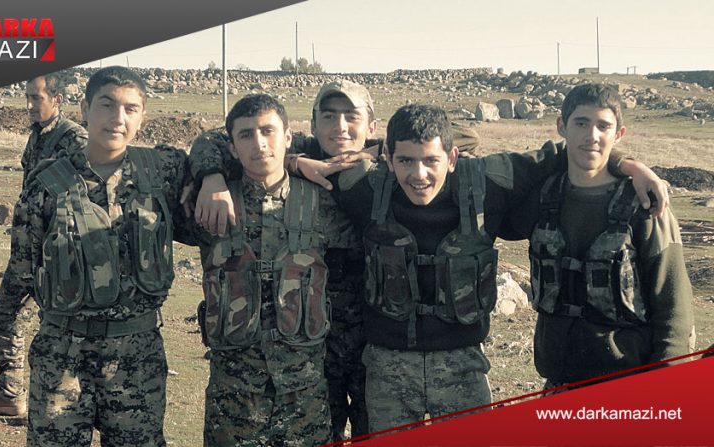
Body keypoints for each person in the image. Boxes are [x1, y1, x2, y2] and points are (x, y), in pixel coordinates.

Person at [190, 100, 667, 433]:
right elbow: (253, 148)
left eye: (431, 161)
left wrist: (630, 165)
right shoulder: (362, 185)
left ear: (453, 157)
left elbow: (574, 148)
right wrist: (280, 164)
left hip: (462, 366)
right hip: (387, 368)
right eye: (405, 161)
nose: (419, 174)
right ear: (387, 158)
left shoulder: (488, 181)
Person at [4, 66, 187, 446]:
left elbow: (230, 151)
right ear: (85, 109)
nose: (118, 118)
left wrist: (217, 179)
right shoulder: (46, 184)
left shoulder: (162, 172)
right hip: (62, 358)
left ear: (143, 116)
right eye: (107, 105)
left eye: (131, 109)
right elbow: (23, 272)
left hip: (136, 359)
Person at [190, 80, 380, 441]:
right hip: (263, 381)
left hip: (358, 350)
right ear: (312, 126)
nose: (340, 127)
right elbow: (213, 140)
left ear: (371, 125)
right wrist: (211, 177)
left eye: (351, 116)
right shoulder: (225, 198)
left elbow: (445, 146)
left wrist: (380, 152)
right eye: (329, 116)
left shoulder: (382, 172)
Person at [504, 83, 694, 391]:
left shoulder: (645, 205)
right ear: (562, 127)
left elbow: (673, 309)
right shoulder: (543, 198)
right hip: (558, 385)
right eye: (581, 123)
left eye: (603, 126)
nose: (592, 135)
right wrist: (625, 162)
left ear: (618, 134)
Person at [0, 73, 88, 417]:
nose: (28, 105)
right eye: (27, 97)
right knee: (3, 318)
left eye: (36, 98)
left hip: (55, 260)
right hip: (25, 256)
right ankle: (11, 394)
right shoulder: (37, 135)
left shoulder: (75, 139)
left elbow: (87, 201)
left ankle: (61, 411)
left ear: (57, 100)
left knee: (60, 336)